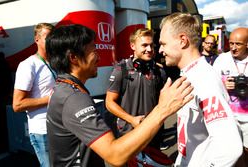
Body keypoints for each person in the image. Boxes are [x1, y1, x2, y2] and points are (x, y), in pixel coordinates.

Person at [45, 24, 194, 167]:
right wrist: (162, 110)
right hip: (127, 135)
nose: (98, 57)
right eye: (93, 51)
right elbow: (115, 155)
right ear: (73, 58)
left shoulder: (66, 88)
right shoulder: (74, 97)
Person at [158, 12, 243, 167]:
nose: (160, 51)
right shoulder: (190, 74)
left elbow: (230, 148)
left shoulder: (204, 79)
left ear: (183, 41)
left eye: (163, 44)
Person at [105, 28, 168, 166]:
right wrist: (131, 119)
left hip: (152, 134)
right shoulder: (121, 69)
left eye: (152, 45)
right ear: (132, 46)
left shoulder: (159, 71)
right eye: (144, 45)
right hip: (127, 135)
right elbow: (109, 103)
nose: (149, 49)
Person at [13, 23, 55, 167]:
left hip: (59, 128)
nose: (51, 41)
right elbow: (17, 105)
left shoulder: (54, 63)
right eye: (47, 37)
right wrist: (49, 99)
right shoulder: (28, 65)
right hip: (42, 131)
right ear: (37, 39)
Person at [213, 27, 248, 167]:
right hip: (228, 116)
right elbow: (211, 84)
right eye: (231, 43)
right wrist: (222, 85)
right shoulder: (222, 59)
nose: (233, 48)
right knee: (233, 152)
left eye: (238, 44)